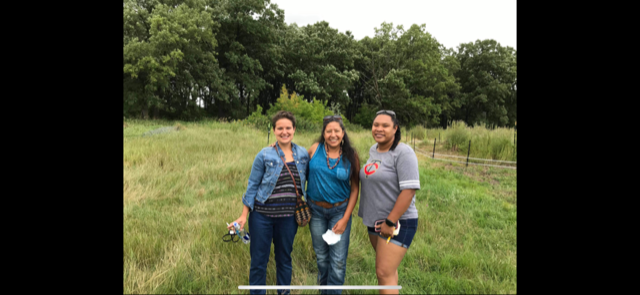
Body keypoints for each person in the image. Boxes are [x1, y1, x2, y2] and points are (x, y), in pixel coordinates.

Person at [228, 111, 309, 295]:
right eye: (280, 128)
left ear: (294, 129)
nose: (284, 132)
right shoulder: (264, 155)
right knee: (258, 261)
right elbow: (252, 186)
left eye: (288, 128)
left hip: (289, 219)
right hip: (261, 218)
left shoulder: (303, 154)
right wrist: (243, 215)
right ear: (274, 130)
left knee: (284, 259)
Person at [358, 110, 420, 294]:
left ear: (395, 128)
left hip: (396, 223)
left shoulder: (403, 153)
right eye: (376, 125)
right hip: (374, 221)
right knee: (388, 273)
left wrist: (390, 222)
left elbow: (408, 191)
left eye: (385, 125)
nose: (379, 129)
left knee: (383, 272)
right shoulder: (373, 150)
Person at [305, 115, 360, 295]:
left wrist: (345, 219)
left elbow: (354, 189)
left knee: (337, 261)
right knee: (321, 258)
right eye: (329, 131)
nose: (333, 134)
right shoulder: (314, 149)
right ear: (324, 133)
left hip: (339, 212)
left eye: (337, 131)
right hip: (316, 212)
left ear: (343, 134)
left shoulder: (351, 156)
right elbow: (296, 165)